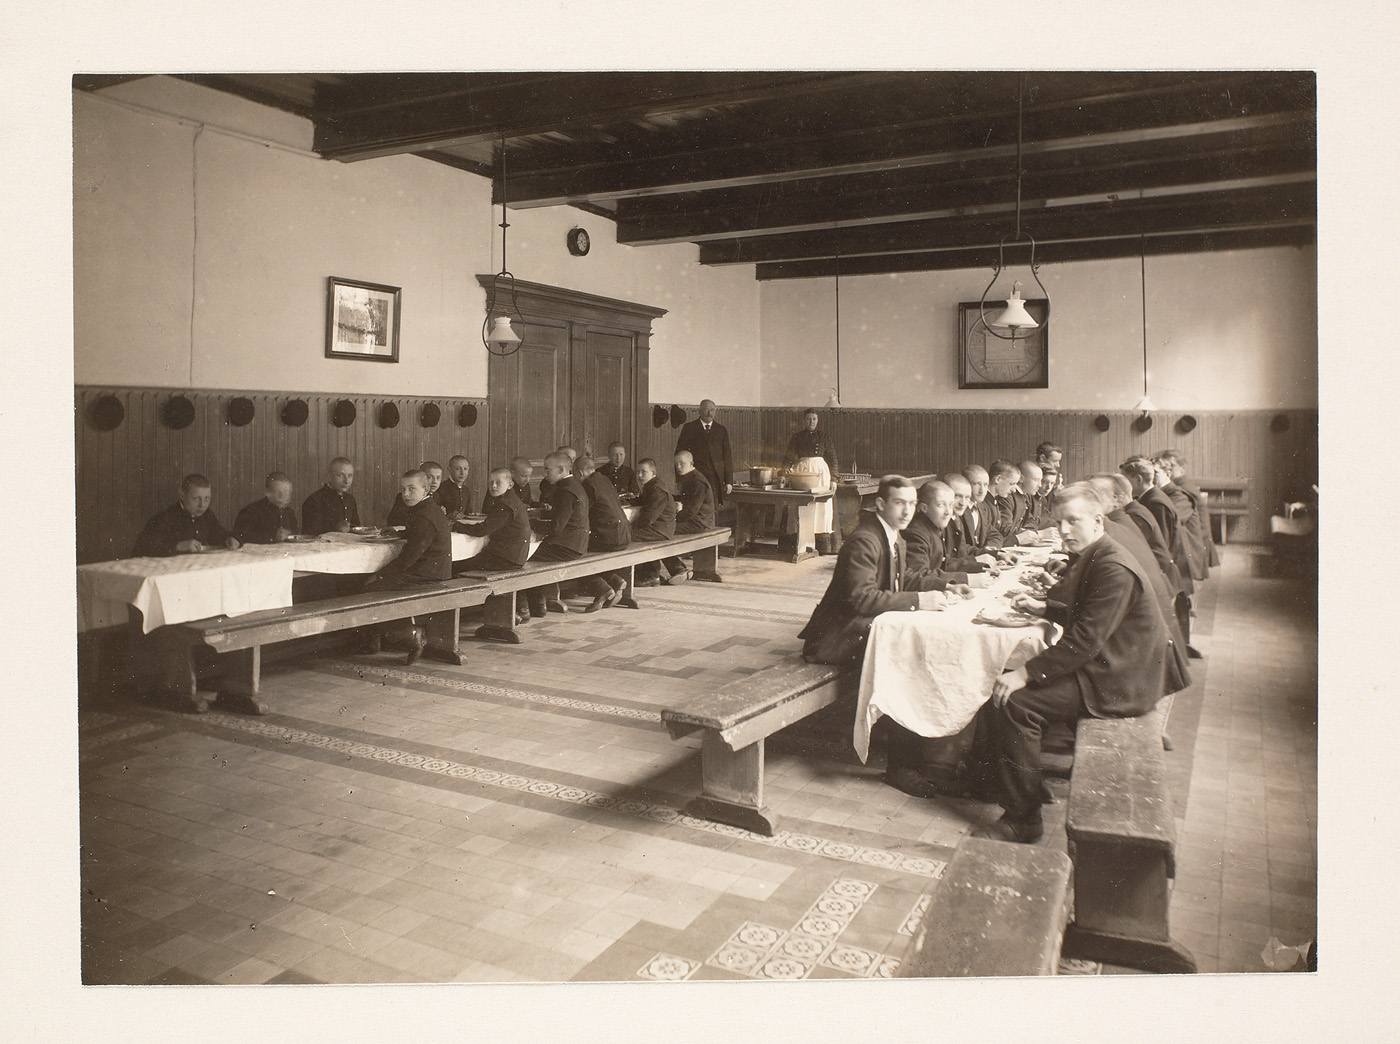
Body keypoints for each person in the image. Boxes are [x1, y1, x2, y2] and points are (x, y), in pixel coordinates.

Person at [973, 483, 1180, 843]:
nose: (1063, 530)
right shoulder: (1099, 551)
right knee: (1008, 686)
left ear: (1097, 520)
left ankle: (1024, 819)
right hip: (1116, 667)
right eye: (1059, 522)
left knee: (1016, 702)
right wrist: (1045, 608)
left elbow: (1085, 640)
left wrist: (1025, 673)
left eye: (1073, 521)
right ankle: (1014, 784)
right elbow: (1089, 616)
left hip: (1119, 681)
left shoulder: (1112, 566)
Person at [797, 474, 949, 668]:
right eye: (899, 503)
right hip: (836, 638)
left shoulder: (894, 535)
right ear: (881, 504)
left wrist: (945, 586)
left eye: (912, 504)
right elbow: (862, 597)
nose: (907, 512)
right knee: (921, 649)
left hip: (860, 625)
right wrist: (918, 600)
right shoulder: (864, 541)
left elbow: (903, 577)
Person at [362, 469, 452, 666]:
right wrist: (400, 533)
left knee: (370, 589)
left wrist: (380, 575)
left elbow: (408, 558)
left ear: (426, 489)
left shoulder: (424, 515)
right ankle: (380, 638)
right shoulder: (426, 508)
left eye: (412, 489)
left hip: (427, 574)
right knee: (374, 584)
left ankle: (410, 635)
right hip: (433, 570)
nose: (406, 494)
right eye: (403, 489)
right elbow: (419, 536)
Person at [526, 451, 612, 617]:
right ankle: (540, 601)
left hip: (566, 546)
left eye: (547, 470)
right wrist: (542, 515)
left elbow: (556, 528)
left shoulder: (565, 490)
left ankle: (533, 604)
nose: (545, 474)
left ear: (560, 470)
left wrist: (530, 523)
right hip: (576, 543)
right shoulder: (574, 485)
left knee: (523, 554)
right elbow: (564, 515)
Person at [902, 481, 989, 591]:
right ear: (924, 508)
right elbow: (921, 575)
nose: (948, 512)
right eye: (941, 505)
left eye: (950, 505)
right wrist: (967, 579)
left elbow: (944, 563)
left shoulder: (934, 525)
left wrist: (981, 567)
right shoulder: (916, 533)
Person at [133, 474, 241, 556]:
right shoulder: (164, 518)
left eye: (207, 499)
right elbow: (141, 548)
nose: (202, 505)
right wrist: (178, 546)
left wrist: (230, 539)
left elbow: (219, 535)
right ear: (182, 495)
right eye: (196, 499)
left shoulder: (207, 515)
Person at [576, 455, 633, 610]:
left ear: (580, 473)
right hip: (623, 535)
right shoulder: (604, 479)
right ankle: (615, 581)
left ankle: (602, 588)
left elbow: (582, 512)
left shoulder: (588, 484)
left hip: (608, 537)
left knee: (575, 551)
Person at [781, 407, 839, 554]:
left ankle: (822, 545)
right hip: (802, 473)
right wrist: (783, 472)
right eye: (808, 419)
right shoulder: (797, 437)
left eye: (814, 419)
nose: (811, 421)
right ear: (804, 421)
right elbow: (789, 457)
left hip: (820, 474)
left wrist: (834, 479)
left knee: (821, 507)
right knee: (800, 505)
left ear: (817, 420)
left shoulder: (824, 437)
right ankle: (800, 541)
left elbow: (832, 458)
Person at [454, 466, 531, 574]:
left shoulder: (505, 504)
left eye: (498, 483)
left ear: (510, 485)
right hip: (513, 557)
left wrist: (455, 526)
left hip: (505, 558)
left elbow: (482, 530)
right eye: (491, 483)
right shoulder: (511, 499)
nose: (493, 486)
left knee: (454, 566)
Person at [661, 450, 715, 585]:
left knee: (661, 531)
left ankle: (676, 568)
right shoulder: (690, 477)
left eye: (682, 463)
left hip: (700, 523)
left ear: (691, 463)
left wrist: (671, 518)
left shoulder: (698, 481)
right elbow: (686, 500)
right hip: (696, 520)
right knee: (660, 530)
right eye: (676, 464)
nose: (678, 467)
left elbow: (691, 512)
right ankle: (677, 568)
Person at [1155, 450, 1209, 580]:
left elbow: (1171, 519)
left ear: (1183, 469)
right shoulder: (1180, 485)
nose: (1168, 468)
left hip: (1193, 546)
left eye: (1171, 466)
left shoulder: (1183, 489)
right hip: (1192, 542)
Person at [675, 398, 734, 507]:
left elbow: (727, 457)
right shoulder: (689, 428)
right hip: (694, 476)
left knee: (713, 507)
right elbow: (679, 455)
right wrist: (679, 480)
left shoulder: (721, 429)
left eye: (712, 410)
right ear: (699, 411)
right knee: (692, 506)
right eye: (706, 409)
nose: (709, 413)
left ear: (715, 412)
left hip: (715, 478)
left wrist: (729, 481)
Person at [631, 457, 677, 587]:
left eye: (643, 472)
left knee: (626, 535)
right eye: (638, 472)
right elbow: (643, 502)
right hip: (658, 527)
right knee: (628, 533)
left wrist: (629, 527)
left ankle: (651, 575)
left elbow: (648, 518)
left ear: (653, 473)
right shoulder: (651, 485)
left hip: (661, 529)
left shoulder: (657, 489)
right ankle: (645, 573)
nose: (639, 475)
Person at [940, 472, 998, 573]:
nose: (963, 503)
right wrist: (974, 561)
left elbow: (962, 550)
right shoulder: (940, 522)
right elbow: (942, 564)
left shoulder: (955, 518)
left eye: (967, 497)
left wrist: (995, 554)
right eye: (957, 496)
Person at [232, 471, 298, 544]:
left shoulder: (289, 512)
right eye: (278, 492)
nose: (284, 496)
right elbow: (239, 536)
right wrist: (272, 536)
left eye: (287, 492)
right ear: (267, 492)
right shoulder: (251, 511)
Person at [301, 457, 361, 535]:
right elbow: (309, 533)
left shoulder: (350, 499)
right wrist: (335, 529)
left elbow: (356, 527)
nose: (346, 481)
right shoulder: (315, 500)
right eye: (340, 475)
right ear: (329, 477)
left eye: (350, 476)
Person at [986, 459, 1025, 548]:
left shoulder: (994, 501)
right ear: (998, 479)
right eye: (1011, 484)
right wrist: (1017, 539)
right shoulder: (983, 504)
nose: (1014, 490)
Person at [960, 464, 999, 551]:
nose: (982, 490)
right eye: (977, 484)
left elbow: (994, 534)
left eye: (985, 485)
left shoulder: (983, 507)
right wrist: (983, 552)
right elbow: (958, 546)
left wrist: (990, 547)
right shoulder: (959, 509)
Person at [436, 455, 476, 520]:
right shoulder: (441, 488)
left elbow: (468, 513)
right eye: (457, 469)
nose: (462, 473)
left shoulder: (466, 490)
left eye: (465, 469)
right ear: (449, 470)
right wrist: (449, 516)